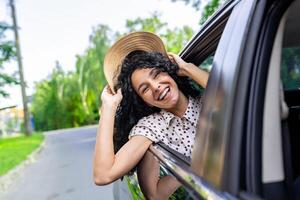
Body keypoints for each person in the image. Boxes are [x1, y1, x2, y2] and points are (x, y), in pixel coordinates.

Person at [93, 32, 209, 199]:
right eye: (145, 89)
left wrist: (186, 68)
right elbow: (103, 175)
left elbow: (240, 95)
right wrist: (109, 107)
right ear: (144, 101)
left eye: (156, 74)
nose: (156, 87)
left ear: (168, 72)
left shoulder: (209, 96)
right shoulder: (152, 126)